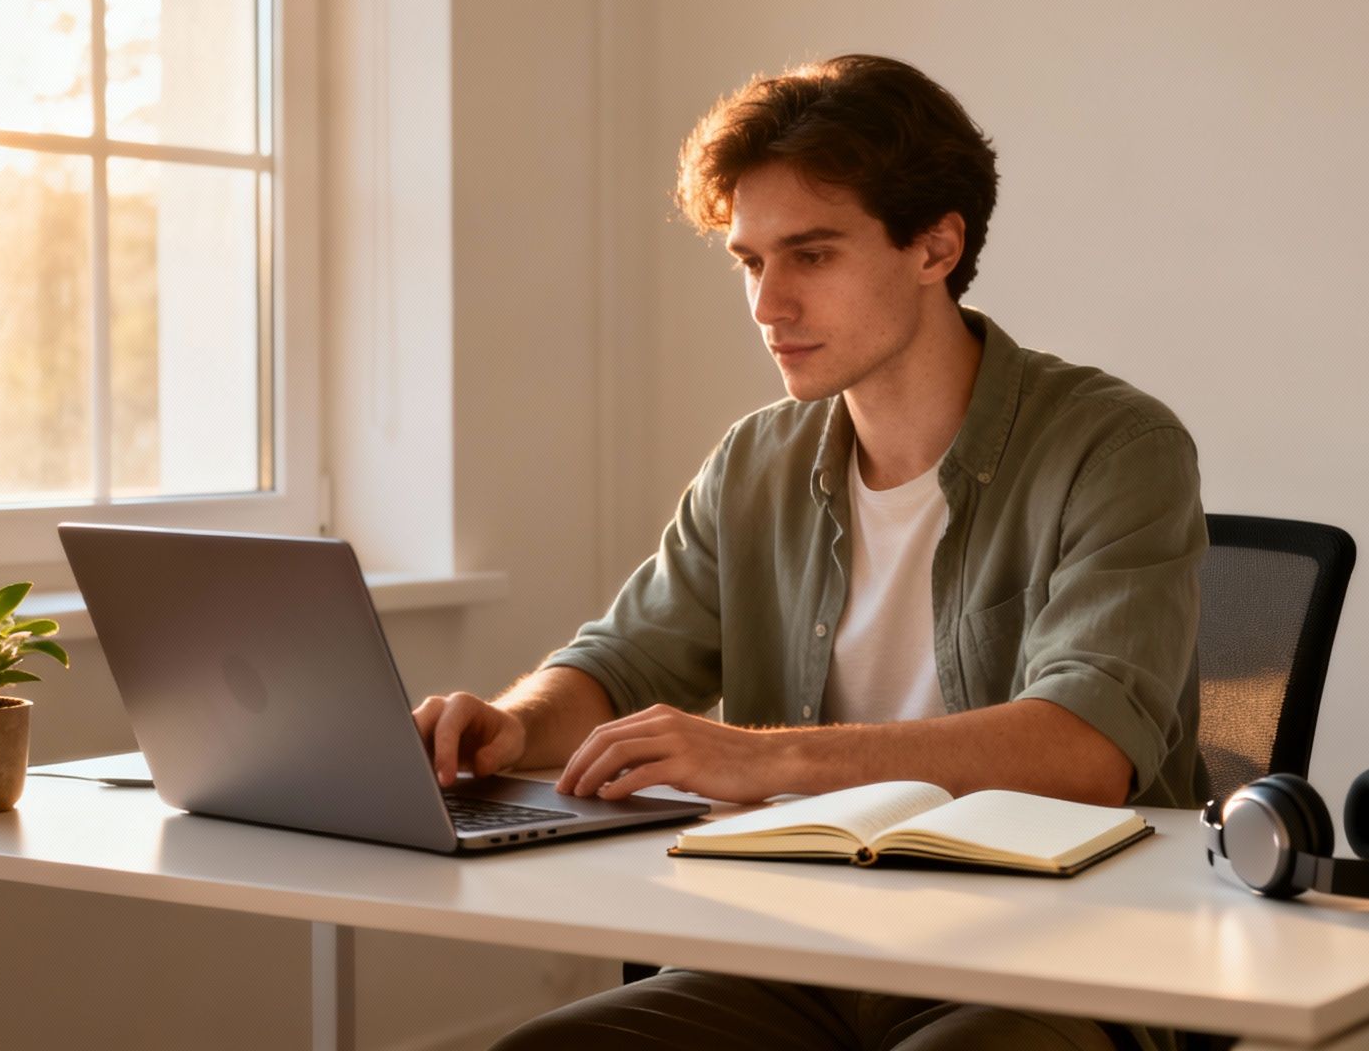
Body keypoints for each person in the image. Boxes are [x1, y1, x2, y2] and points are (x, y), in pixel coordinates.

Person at [413, 54, 1206, 1051]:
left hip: (1058, 961)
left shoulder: (1113, 446)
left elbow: (1082, 752)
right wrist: (504, 727)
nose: (765, 306)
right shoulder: (756, 461)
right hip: (804, 950)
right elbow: (618, 664)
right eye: (750, 262)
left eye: (811, 256)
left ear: (933, 245)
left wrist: (763, 757)